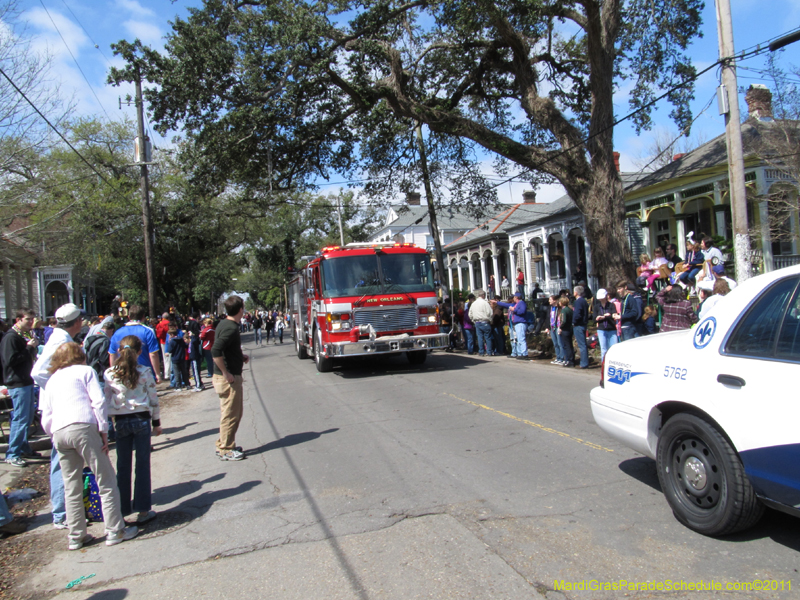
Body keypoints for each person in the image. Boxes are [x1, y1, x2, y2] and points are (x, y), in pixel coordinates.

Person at [40, 342, 138, 550]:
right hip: (83, 425)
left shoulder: (52, 380)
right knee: (105, 479)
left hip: (59, 431)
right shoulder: (85, 371)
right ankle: (115, 529)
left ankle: (76, 535)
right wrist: (103, 431)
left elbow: (45, 413)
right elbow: (98, 401)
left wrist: (53, 434)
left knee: (71, 485)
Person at [31, 302, 87, 530]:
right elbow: (37, 373)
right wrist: (59, 387)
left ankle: (67, 508)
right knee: (61, 460)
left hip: (62, 407)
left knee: (66, 458)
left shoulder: (62, 337)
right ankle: (62, 512)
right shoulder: (61, 340)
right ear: (76, 322)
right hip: (60, 408)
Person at [104, 335, 161, 526]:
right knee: (142, 464)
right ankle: (143, 509)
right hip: (141, 418)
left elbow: (106, 399)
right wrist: (156, 421)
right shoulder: (144, 371)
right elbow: (153, 398)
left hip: (120, 420)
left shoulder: (110, 373)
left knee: (123, 465)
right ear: (139, 352)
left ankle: (121, 509)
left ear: (119, 351)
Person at [212, 295, 250, 461]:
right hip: (228, 378)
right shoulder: (230, 328)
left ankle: (225, 443)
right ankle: (226, 449)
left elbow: (227, 350)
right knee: (231, 414)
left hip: (228, 375)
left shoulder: (225, 324)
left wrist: (240, 357)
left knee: (232, 413)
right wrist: (226, 373)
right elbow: (216, 351)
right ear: (240, 309)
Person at [1, 308, 39, 467]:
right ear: (18, 320)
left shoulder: (24, 336)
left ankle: (23, 447)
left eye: (32, 319)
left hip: (26, 380)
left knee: (28, 417)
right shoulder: (11, 337)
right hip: (17, 382)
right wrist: (29, 348)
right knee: (20, 418)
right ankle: (13, 453)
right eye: (27, 319)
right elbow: (11, 360)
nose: (31, 322)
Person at [108, 305, 161, 383]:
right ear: (143, 317)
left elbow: (112, 354)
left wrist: (114, 372)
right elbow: (153, 354)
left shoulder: (117, 333)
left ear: (128, 317)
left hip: (122, 373)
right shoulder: (147, 332)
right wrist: (157, 374)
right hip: (144, 373)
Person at [495, 291, 528, 359]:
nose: (513, 298)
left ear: (516, 297)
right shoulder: (516, 304)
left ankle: (524, 354)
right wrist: (497, 302)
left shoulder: (521, 303)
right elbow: (506, 305)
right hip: (516, 323)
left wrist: (514, 310)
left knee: (521, 339)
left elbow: (522, 311)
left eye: (514, 297)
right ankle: (520, 353)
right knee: (518, 339)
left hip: (520, 323)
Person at [594, 289, 618, 361]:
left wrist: (605, 316)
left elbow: (614, 315)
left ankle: (613, 363)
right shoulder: (597, 306)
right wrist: (599, 318)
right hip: (601, 329)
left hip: (612, 329)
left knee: (613, 348)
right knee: (604, 349)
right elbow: (594, 319)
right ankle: (604, 365)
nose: (601, 300)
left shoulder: (611, 305)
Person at [467, 289, 493, 356]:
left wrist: (473, 321)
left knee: (480, 338)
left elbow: (470, 314)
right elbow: (490, 313)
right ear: (483, 295)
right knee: (487, 337)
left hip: (477, 322)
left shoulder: (473, 304)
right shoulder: (485, 303)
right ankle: (489, 352)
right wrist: (490, 319)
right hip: (485, 322)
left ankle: (481, 352)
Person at [572, 286, 590, 369]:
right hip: (583, 324)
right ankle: (585, 361)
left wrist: (573, 322)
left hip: (579, 325)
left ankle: (584, 363)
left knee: (582, 345)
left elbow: (577, 314)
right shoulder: (584, 301)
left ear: (576, 292)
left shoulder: (578, 302)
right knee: (583, 344)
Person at [545, 295, 565, 365]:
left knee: (560, 343)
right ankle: (558, 357)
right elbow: (547, 317)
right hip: (552, 327)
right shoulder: (550, 308)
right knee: (555, 343)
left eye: (550, 299)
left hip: (558, 326)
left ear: (555, 300)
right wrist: (547, 327)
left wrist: (561, 327)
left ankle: (562, 358)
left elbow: (561, 317)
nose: (549, 301)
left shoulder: (559, 308)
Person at [557, 297, 574, 367]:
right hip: (570, 329)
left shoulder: (564, 310)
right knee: (570, 345)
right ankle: (571, 359)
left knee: (567, 345)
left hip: (565, 330)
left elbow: (563, 321)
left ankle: (569, 360)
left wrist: (560, 327)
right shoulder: (570, 309)